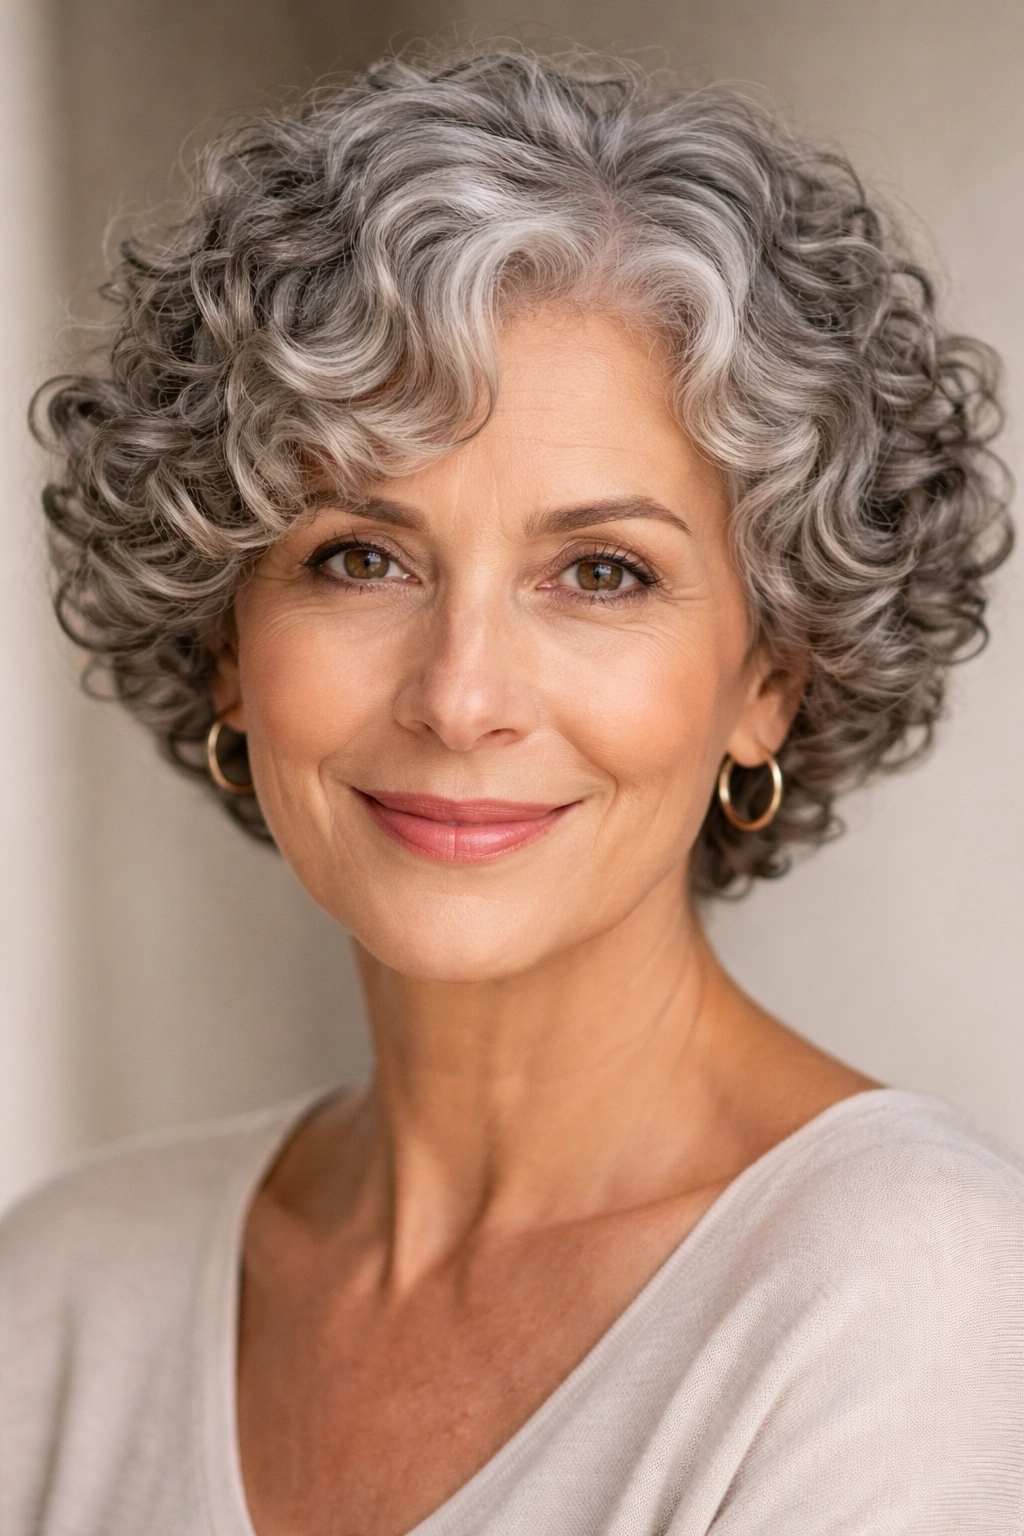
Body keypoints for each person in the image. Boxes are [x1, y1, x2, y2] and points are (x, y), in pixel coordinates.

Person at [3, 47, 1022, 1536]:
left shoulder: (906, 1296)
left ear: (770, 681)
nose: (461, 695)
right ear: (226, 641)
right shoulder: (67, 1292)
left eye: (602, 573)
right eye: (359, 555)